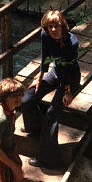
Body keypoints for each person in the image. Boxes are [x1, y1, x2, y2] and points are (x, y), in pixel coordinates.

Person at [19, 10, 81, 168]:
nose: (53, 29)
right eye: (50, 26)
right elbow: (45, 56)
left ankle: (48, 159)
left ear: (62, 26)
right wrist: (39, 78)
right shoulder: (45, 35)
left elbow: (67, 69)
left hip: (70, 78)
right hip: (55, 72)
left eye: (56, 26)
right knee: (27, 100)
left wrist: (68, 92)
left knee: (51, 115)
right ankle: (35, 127)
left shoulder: (72, 42)